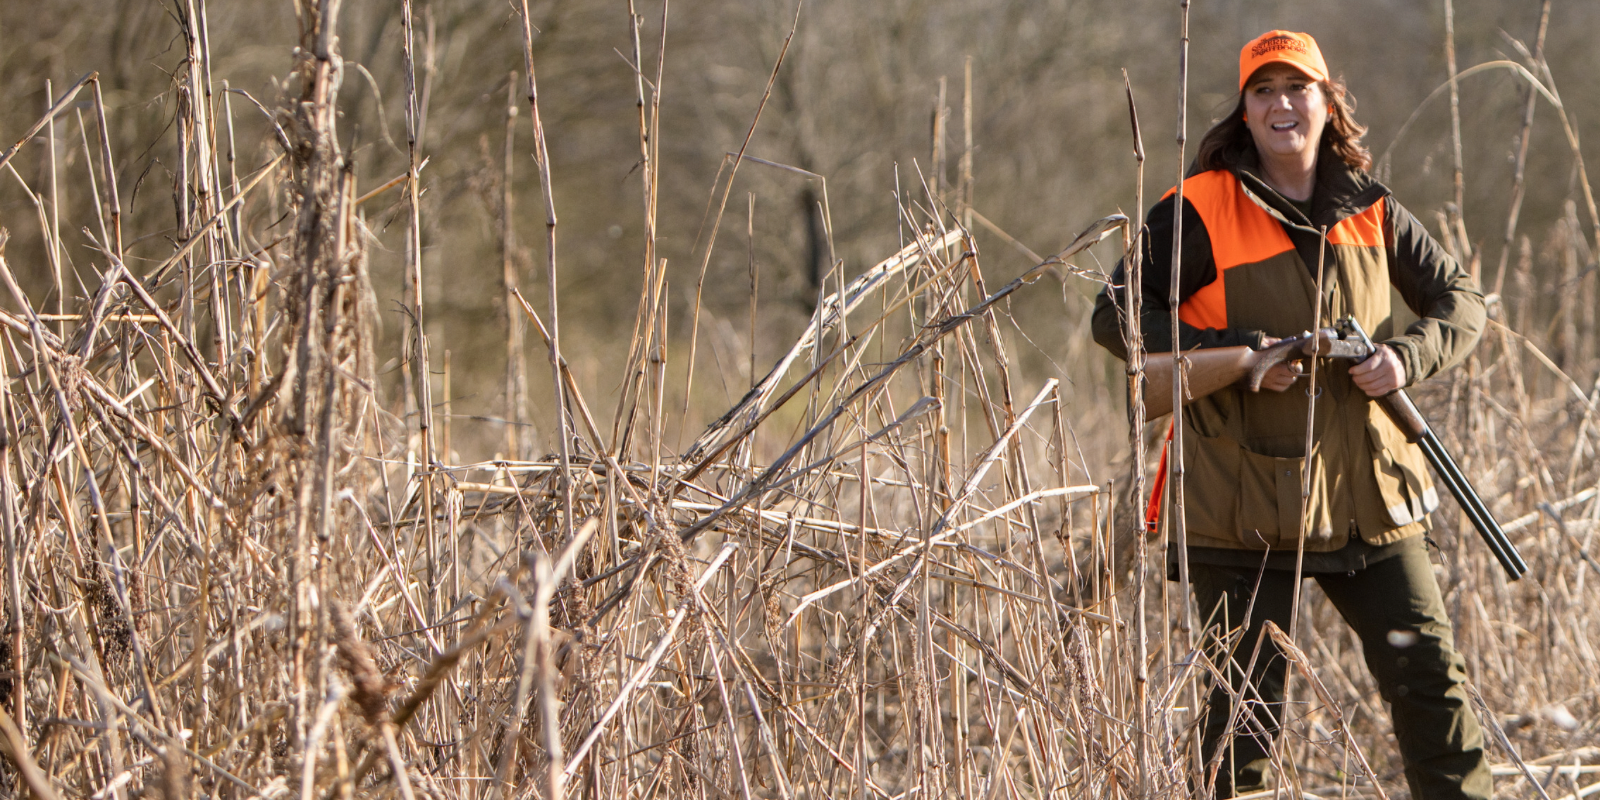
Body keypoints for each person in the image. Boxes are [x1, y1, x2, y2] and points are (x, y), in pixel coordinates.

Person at [1090, 30, 1491, 800]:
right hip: (1242, 505)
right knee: (1245, 718)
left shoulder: (1371, 206)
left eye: (1297, 87)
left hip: (1369, 496)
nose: (1282, 104)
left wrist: (1405, 357)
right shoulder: (1198, 208)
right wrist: (1244, 356)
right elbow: (1117, 319)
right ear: (1244, 111)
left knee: (1432, 684)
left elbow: (1461, 300)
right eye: (1263, 90)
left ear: (1326, 102)